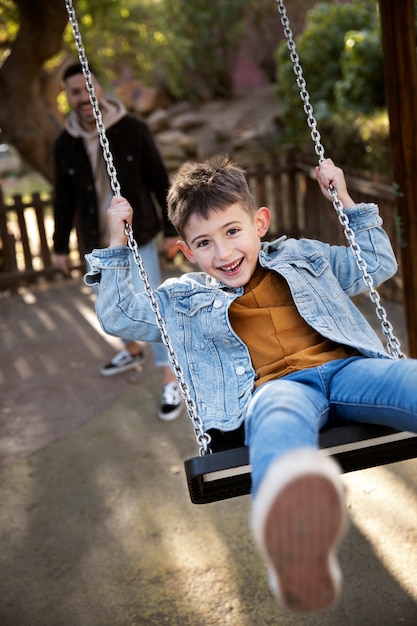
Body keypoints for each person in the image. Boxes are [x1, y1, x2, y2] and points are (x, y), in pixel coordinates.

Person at [84, 154, 417, 613]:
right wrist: (116, 239)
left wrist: (342, 197)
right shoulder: (184, 299)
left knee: (409, 378)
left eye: (232, 231)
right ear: (186, 251)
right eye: (204, 243)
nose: (223, 254)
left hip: (349, 370)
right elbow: (119, 314)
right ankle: (296, 541)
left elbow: (376, 263)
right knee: (277, 425)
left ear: (260, 222)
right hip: (276, 390)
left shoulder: (304, 256)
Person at [53, 62, 183, 421]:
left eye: (87, 88)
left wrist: (173, 229)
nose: (83, 97)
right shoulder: (65, 144)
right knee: (109, 304)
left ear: (99, 87)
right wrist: (59, 246)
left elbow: (160, 179)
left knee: (152, 308)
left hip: (138, 237)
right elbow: (62, 198)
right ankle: (132, 350)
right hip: (96, 242)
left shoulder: (132, 130)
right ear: (67, 97)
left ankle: (170, 378)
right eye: (74, 92)